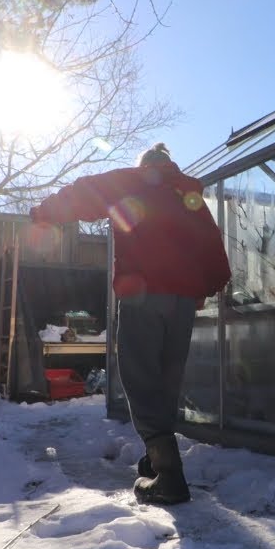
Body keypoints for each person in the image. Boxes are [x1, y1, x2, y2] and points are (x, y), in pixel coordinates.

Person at [29, 143, 230, 505]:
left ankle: (168, 475)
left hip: (143, 294)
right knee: (167, 381)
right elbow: (215, 249)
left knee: (139, 377)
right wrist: (206, 288)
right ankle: (156, 459)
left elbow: (82, 193)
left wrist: (44, 212)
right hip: (182, 302)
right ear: (171, 164)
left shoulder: (131, 182)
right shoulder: (188, 194)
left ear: (146, 164)